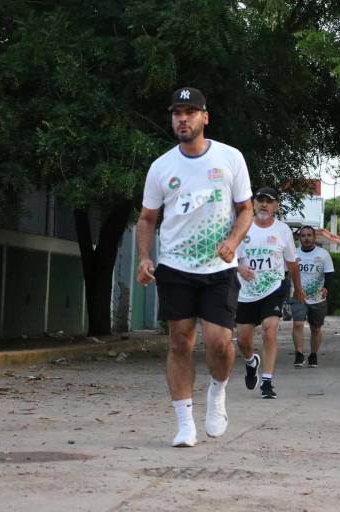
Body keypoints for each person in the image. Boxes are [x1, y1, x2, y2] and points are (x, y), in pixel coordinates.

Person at [136, 87, 254, 448]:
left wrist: (233, 241)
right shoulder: (161, 167)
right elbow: (147, 218)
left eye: (190, 112)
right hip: (175, 266)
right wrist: (144, 257)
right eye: (176, 113)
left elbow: (246, 209)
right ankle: (185, 423)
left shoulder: (230, 158)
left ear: (205, 117)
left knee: (219, 343)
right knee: (179, 342)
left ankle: (217, 393)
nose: (182, 119)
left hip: (218, 267)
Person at [236, 187, 306, 399]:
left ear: (276, 206)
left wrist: (298, 290)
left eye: (269, 201)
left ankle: (267, 381)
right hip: (246, 291)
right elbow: (228, 255)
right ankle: (251, 362)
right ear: (254, 203)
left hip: (273, 288)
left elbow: (292, 263)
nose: (264, 204)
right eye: (260, 200)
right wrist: (239, 268)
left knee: (269, 330)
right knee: (243, 341)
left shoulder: (283, 230)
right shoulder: (242, 226)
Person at [291, 225, 334, 368]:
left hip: (317, 297)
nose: (306, 238)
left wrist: (327, 287)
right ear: (299, 238)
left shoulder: (323, 254)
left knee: (315, 328)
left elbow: (329, 274)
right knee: (298, 324)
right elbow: (285, 273)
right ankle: (299, 354)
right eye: (303, 236)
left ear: (314, 237)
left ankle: (313, 354)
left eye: (309, 235)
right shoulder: (294, 255)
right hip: (298, 295)